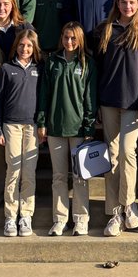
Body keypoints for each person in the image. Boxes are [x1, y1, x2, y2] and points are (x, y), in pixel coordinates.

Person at [95, 0, 138, 237]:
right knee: (112, 155)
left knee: (127, 152)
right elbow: (98, 67)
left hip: (133, 103)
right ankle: (114, 213)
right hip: (109, 100)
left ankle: (128, 204)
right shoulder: (106, 29)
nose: (128, 7)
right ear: (117, 4)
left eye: (132, 3)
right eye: (124, 2)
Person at [38, 22, 98, 236]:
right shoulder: (53, 61)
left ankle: (81, 219)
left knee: (81, 176)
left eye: (73, 38)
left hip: (79, 129)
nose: (69, 42)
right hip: (55, 127)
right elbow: (43, 94)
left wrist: (89, 125)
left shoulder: (87, 63)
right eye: (66, 37)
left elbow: (90, 98)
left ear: (80, 39)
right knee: (59, 176)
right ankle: (60, 219)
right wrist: (42, 122)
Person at [0, 26, 43, 237]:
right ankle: (10, 216)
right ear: (16, 46)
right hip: (10, 125)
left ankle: (26, 215)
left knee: (29, 172)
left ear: (34, 48)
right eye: (21, 45)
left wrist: (42, 125)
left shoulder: (40, 69)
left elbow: (43, 100)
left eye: (29, 46)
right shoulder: (6, 68)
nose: (25, 49)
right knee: (13, 170)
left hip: (32, 126)